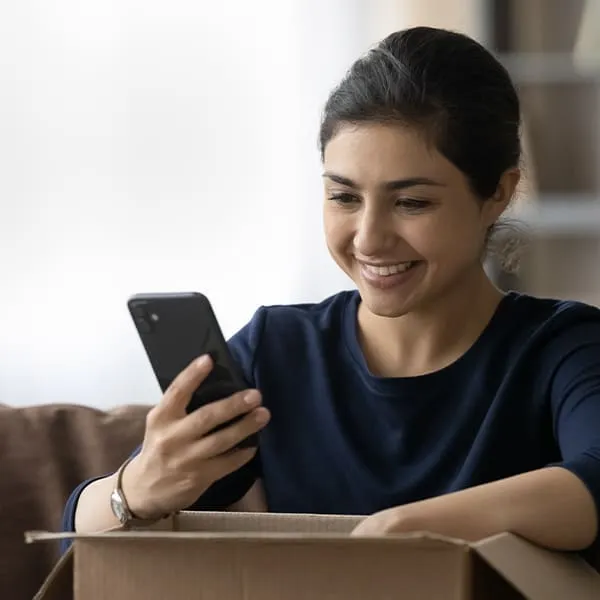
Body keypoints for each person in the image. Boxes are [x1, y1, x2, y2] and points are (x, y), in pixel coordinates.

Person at [62, 26, 600, 557]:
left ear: (496, 195)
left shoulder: (563, 348)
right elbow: (78, 534)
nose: (368, 238)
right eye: (344, 197)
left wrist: (407, 530)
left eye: (412, 202)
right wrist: (137, 488)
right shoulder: (279, 348)